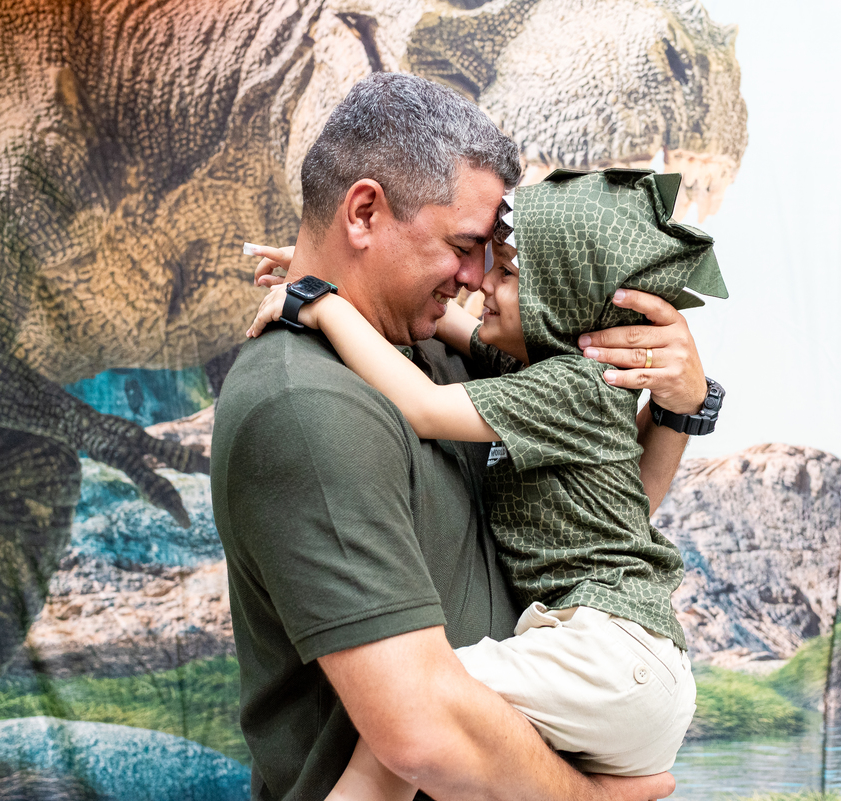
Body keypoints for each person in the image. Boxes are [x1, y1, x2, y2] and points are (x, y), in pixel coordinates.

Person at [211, 72, 711, 801]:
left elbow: (606, 509)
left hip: (616, 667)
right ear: (364, 213)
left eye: (499, 262)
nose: (478, 279)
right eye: (465, 245)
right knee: (433, 701)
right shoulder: (305, 401)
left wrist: (682, 402)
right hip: (582, 699)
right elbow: (422, 729)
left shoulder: (439, 354)